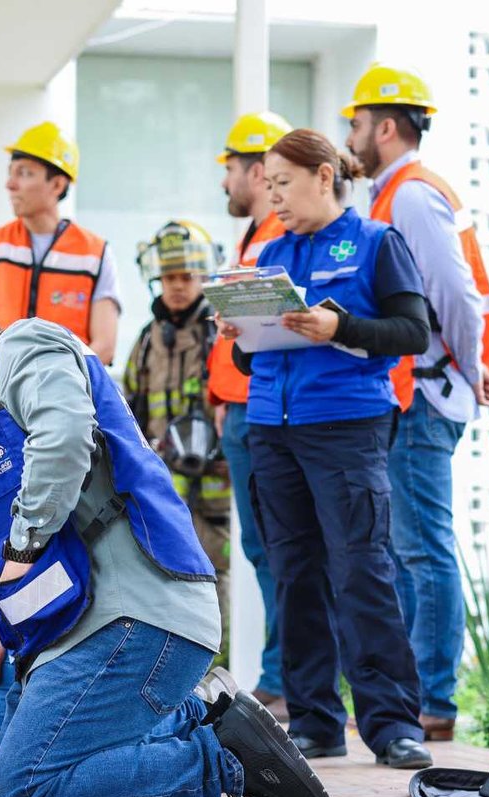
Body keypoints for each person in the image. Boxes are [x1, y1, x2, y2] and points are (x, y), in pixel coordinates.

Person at [0, 275, 333, 797]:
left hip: (136, 616)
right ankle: (199, 712)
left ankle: (229, 762)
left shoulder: (26, 346)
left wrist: (18, 557)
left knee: (23, 787)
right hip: (65, 627)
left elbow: (60, 442)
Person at [220, 128, 434, 769]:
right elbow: (245, 356)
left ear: (323, 176)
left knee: (361, 571)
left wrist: (339, 325)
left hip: (346, 425)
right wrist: (240, 331)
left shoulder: (375, 243)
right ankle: (314, 720)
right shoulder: (271, 253)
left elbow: (412, 332)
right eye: (268, 185)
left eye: (284, 183)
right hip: (271, 430)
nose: (274, 196)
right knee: (294, 575)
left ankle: (393, 723)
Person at [342, 64, 489, 741]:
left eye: (355, 123)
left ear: (385, 126)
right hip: (424, 392)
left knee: (421, 552)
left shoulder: (409, 196)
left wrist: (472, 372)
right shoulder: (396, 193)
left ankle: (433, 701)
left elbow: (456, 295)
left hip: (427, 395)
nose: (348, 135)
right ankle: (417, 698)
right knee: (409, 551)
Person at [208, 111, 292, 716]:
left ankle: (285, 677)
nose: (226, 182)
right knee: (266, 550)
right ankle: (284, 673)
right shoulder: (255, 235)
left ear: (257, 170)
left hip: (259, 413)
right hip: (240, 410)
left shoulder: (274, 238)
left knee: (277, 549)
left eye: (232, 169)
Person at [124, 221, 233, 658]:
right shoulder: (149, 340)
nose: (177, 286)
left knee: (215, 575)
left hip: (213, 486)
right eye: (169, 277)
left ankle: (218, 671)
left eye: (187, 277)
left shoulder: (221, 333)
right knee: (161, 576)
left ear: (204, 277)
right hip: (164, 485)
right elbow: (128, 408)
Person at [0, 123, 121, 363]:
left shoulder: (96, 253)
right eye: (10, 172)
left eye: (24, 173)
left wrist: (57, 380)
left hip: (70, 392)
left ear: (57, 185)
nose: (10, 184)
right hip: (1, 387)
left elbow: (105, 347)